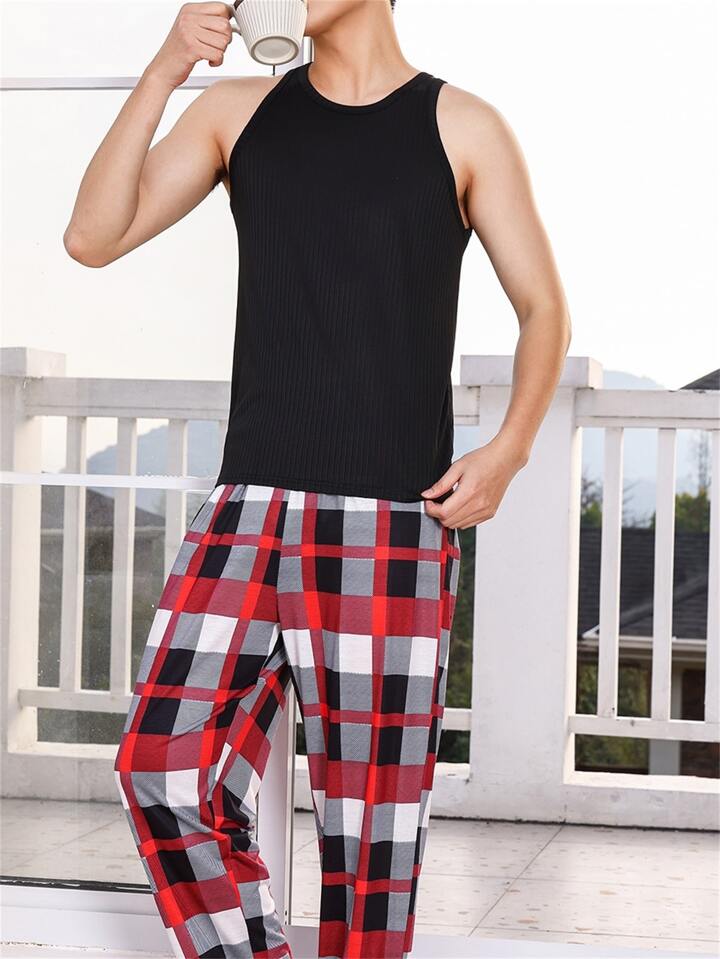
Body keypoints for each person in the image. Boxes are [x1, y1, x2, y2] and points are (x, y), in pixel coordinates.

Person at [64, 1, 571, 957]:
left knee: (371, 846)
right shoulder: (239, 112)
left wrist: (508, 449)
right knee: (160, 768)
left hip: (394, 523)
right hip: (249, 508)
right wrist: (166, 69)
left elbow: (543, 307)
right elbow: (92, 237)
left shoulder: (463, 126)